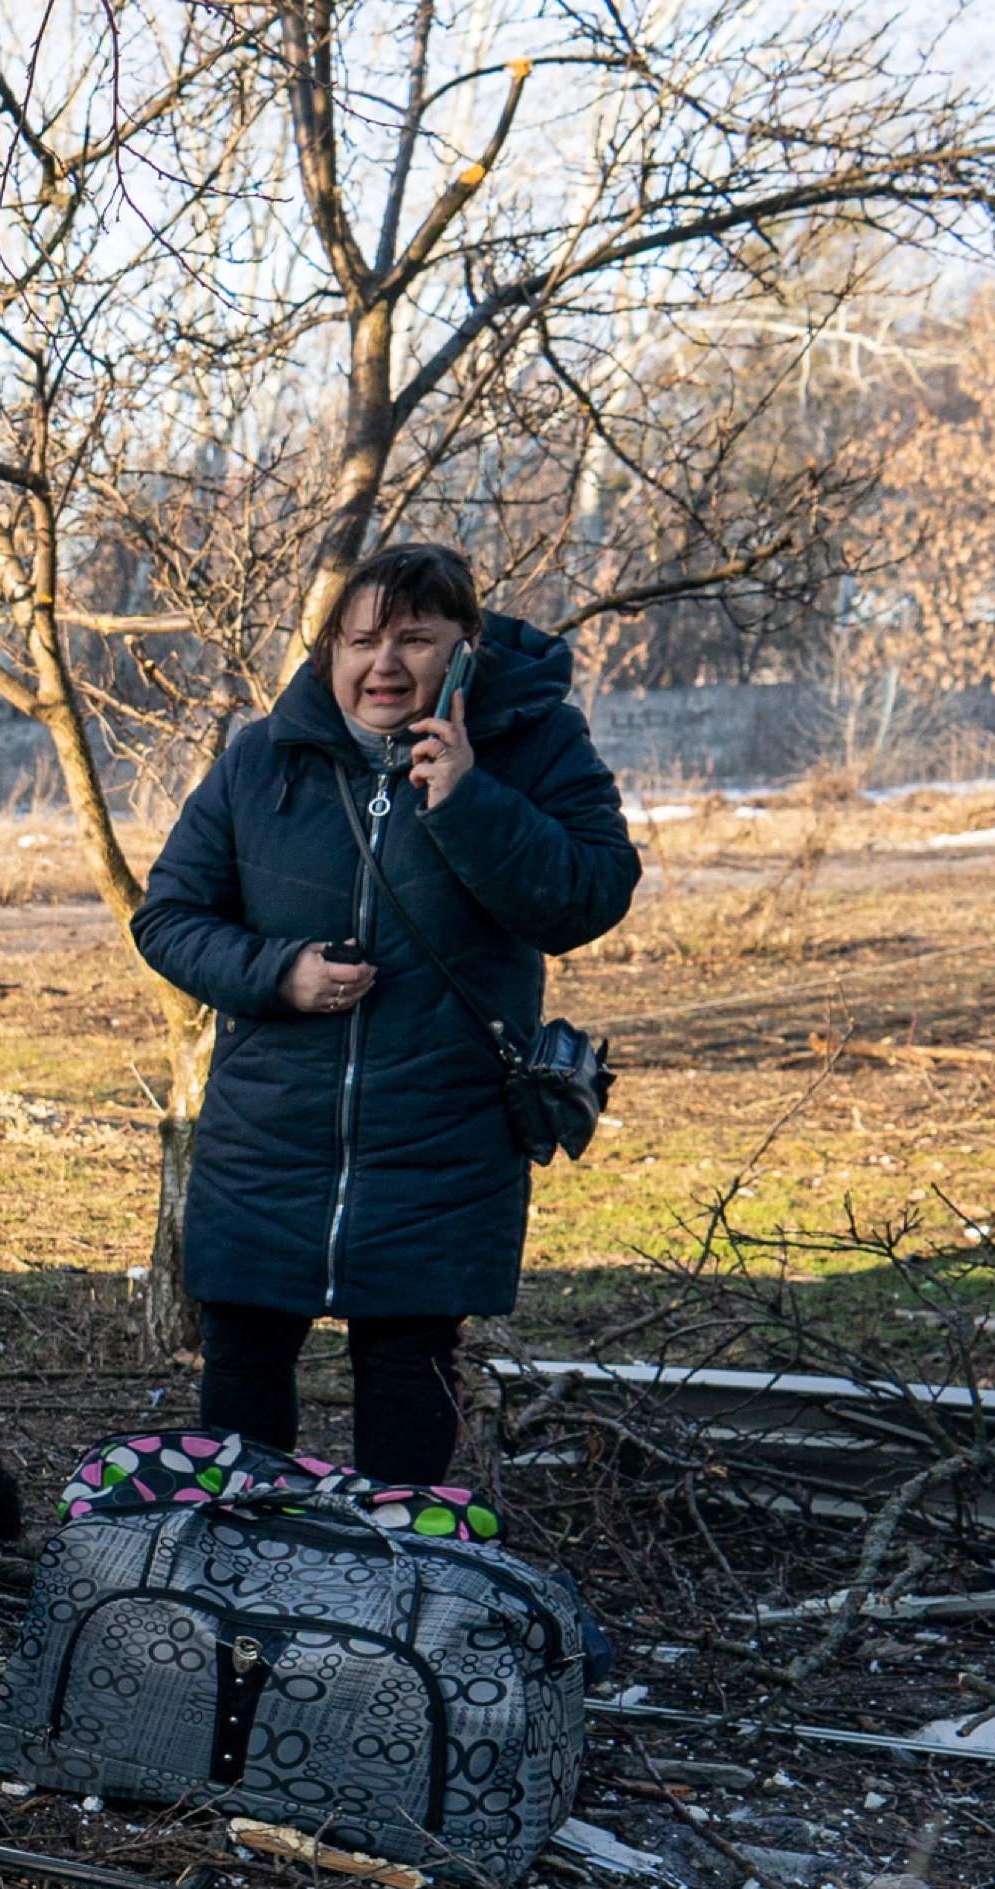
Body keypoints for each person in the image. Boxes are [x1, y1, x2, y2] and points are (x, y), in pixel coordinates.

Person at [133, 542, 640, 1487]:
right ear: (328, 651)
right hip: (267, 1133)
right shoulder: (260, 759)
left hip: (439, 1131)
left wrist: (468, 800)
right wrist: (275, 974)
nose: (385, 664)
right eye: (361, 640)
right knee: (241, 1353)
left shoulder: (535, 744)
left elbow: (590, 897)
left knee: (407, 1362)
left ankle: (399, 1584)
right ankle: (241, 1561)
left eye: (415, 637)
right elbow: (167, 917)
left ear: (465, 645)